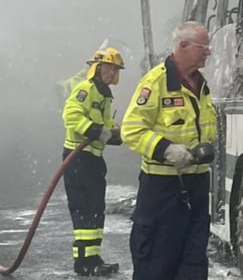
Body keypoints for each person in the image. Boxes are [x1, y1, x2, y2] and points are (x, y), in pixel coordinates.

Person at [121, 21, 217, 280]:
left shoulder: (201, 84)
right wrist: (166, 150)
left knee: (193, 262)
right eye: (203, 47)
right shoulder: (156, 82)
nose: (208, 52)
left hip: (196, 186)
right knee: (156, 262)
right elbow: (131, 130)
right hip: (162, 190)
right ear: (183, 46)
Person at [61, 47, 124, 276]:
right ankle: (83, 262)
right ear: (97, 68)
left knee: (96, 209)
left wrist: (116, 134)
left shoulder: (104, 95)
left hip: (94, 159)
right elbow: (71, 115)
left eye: (115, 69)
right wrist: (97, 132)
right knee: (83, 209)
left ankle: (95, 258)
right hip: (77, 159)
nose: (112, 72)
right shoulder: (85, 90)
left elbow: (105, 127)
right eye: (109, 67)